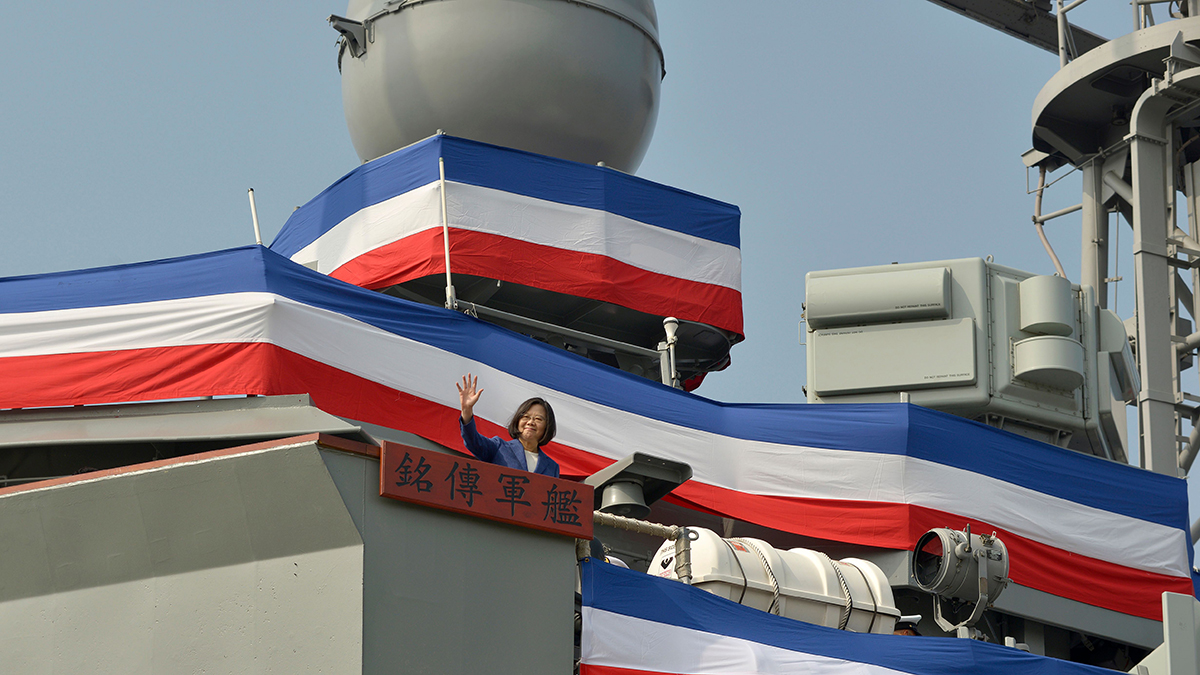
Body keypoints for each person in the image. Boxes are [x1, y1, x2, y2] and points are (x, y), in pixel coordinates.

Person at [457, 374, 561, 477]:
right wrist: (466, 411)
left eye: (538, 419)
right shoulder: (499, 448)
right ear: (517, 421)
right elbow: (473, 441)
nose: (530, 422)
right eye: (526, 417)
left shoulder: (552, 467)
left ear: (547, 426)